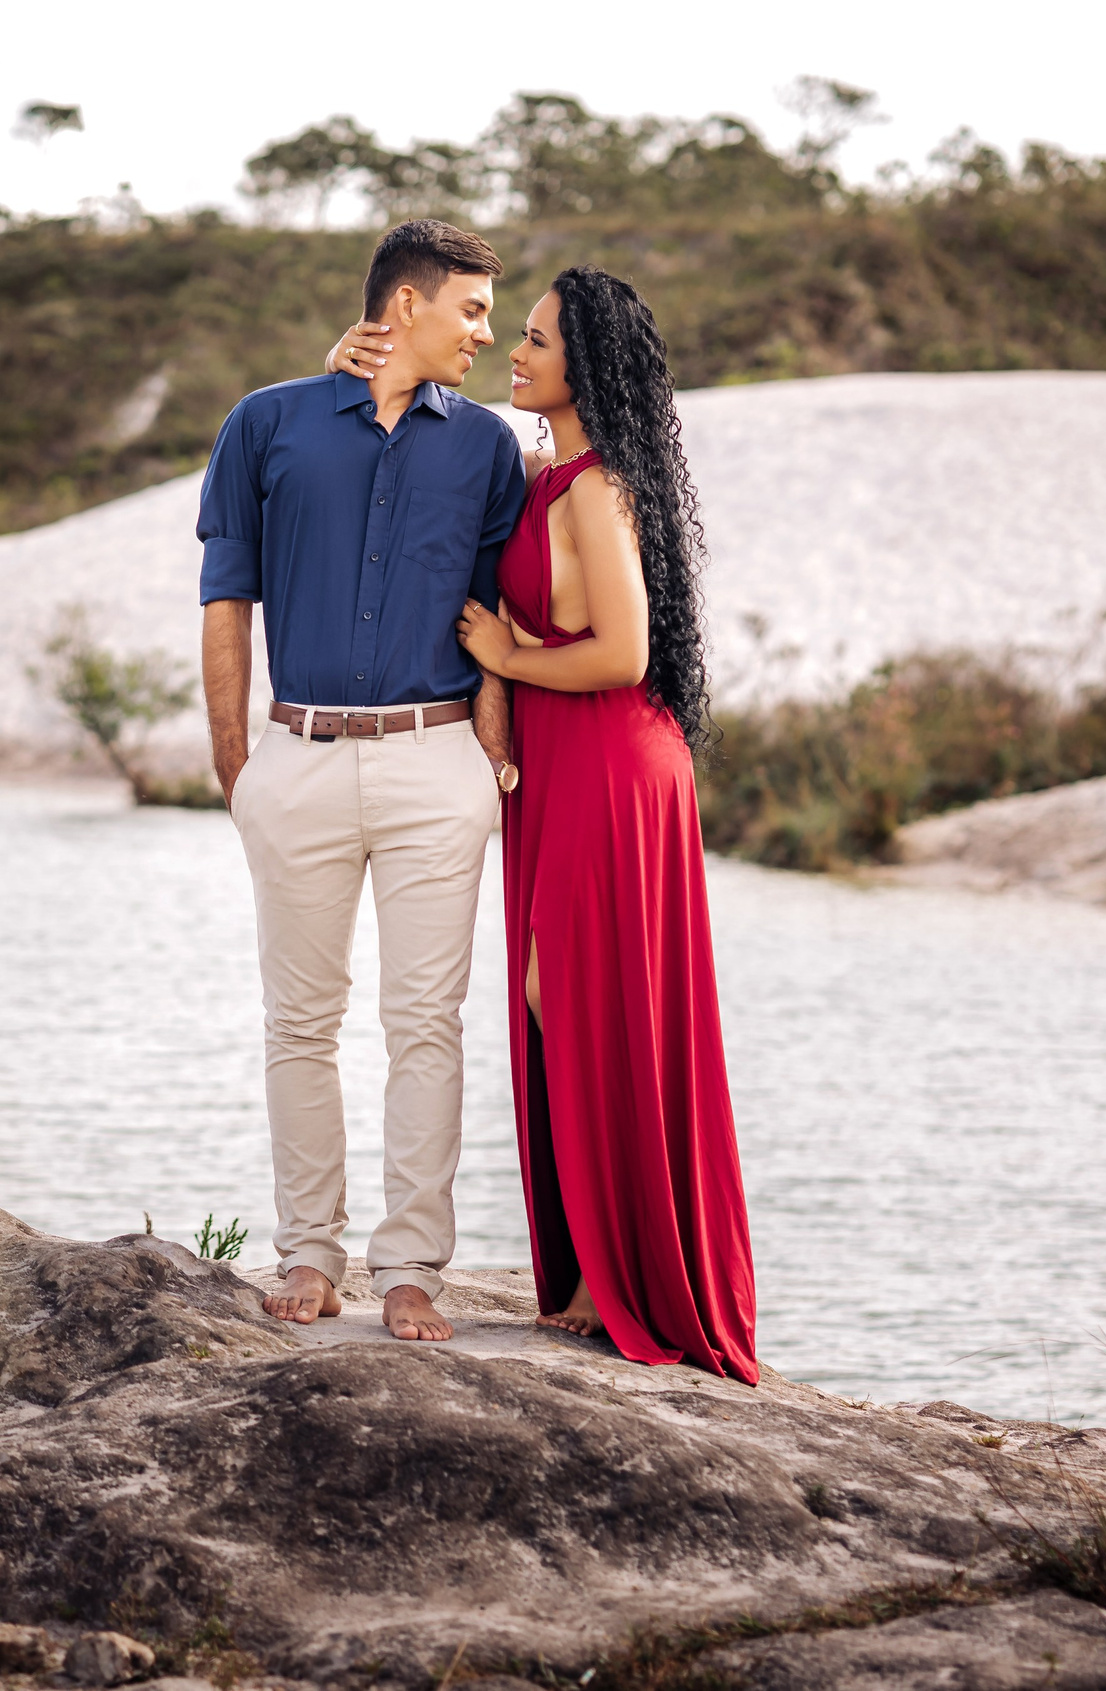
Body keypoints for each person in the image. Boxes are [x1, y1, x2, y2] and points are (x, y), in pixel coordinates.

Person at [326, 266, 758, 1383]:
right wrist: (351, 367)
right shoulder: (544, 471)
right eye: (510, 336)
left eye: (535, 342)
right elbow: (423, 438)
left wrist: (504, 657)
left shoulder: (596, 491)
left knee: (567, 994)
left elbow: (624, 652)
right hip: (569, 768)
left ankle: (627, 1278)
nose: (513, 355)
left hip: (613, 762)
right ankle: (581, 1278)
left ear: (588, 368)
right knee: (565, 1002)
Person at [198, 220, 528, 1343]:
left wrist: (485, 754)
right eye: (473, 310)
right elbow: (224, 601)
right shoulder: (267, 422)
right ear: (405, 306)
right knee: (299, 1022)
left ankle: (410, 1271)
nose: (485, 332)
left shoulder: (485, 446)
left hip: (437, 762)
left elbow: (494, 612)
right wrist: (237, 764)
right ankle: (308, 1256)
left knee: (426, 1023)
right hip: (295, 759)